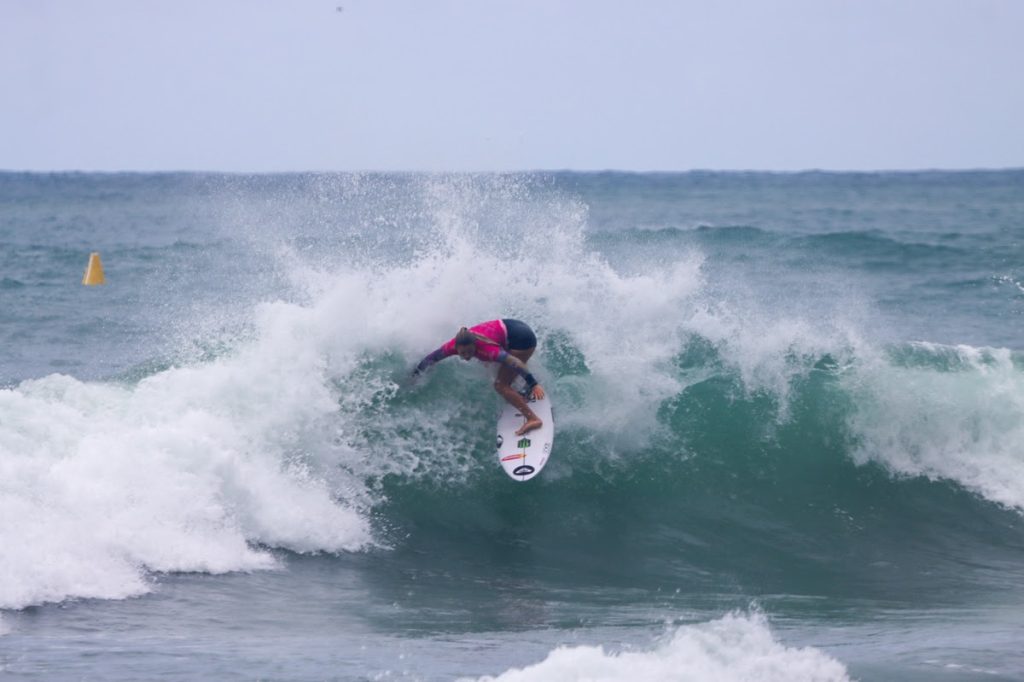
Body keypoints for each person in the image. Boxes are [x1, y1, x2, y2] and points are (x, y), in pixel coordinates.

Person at [413, 319, 546, 436]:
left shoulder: (487, 350)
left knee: (500, 385)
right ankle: (521, 391)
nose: (466, 356)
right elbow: (430, 359)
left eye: (470, 352)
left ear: (475, 345)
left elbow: (514, 362)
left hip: (523, 340)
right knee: (488, 364)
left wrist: (533, 383)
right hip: (512, 327)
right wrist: (415, 376)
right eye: (463, 353)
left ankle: (533, 419)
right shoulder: (451, 346)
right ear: (456, 348)